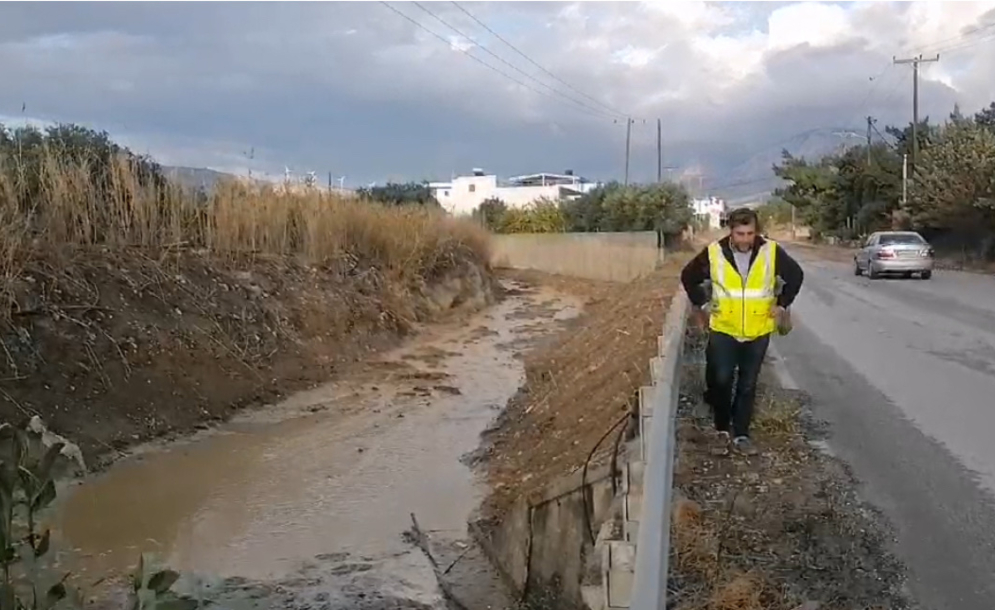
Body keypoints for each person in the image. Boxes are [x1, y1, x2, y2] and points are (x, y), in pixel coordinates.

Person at [679, 207, 804, 455]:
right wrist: (703, 303)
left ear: (756, 232)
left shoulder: (771, 251)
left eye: (749, 233)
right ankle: (722, 428)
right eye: (740, 234)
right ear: (731, 232)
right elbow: (688, 276)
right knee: (722, 381)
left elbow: (796, 275)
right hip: (724, 328)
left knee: (748, 384)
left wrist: (782, 304)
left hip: (758, 330)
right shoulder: (714, 253)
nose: (745, 239)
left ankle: (742, 434)